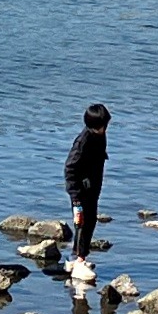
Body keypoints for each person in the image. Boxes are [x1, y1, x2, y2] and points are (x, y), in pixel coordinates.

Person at [62, 102, 110, 279]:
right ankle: (79, 261)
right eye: (101, 126)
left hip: (92, 188)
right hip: (80, 191)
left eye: (105, 126)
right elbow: (70, 168)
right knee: (82, 222)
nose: (104, 129)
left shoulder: (100, 136)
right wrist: (75, 198)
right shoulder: (83, 141)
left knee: (90, 221)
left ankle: (76, 257)